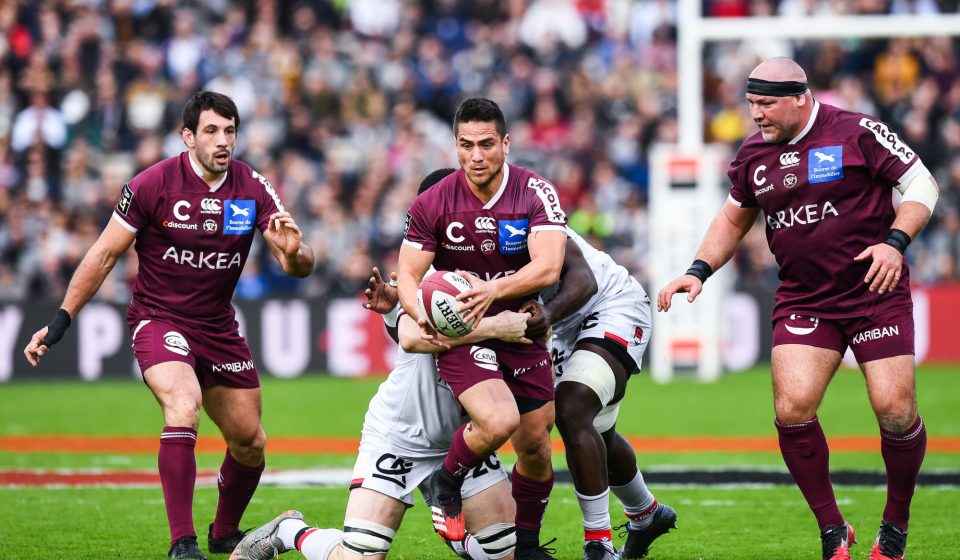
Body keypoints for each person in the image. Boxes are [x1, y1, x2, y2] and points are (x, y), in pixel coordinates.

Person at [658, 57, 937, 560]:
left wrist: (895, 242)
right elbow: (732, 219)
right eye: (751, 104)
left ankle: (894, 525)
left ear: (801, 97)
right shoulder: (751, 157)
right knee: (792, 409)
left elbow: (922, 186)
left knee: (895, 410)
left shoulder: (859, 132)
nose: (756, 115)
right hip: (805, 298)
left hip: (874, 292)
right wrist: (697, 270)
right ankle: (833, 530)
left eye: (766, 104)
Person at [23, 91, 315, 560]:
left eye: (230, 131)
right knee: (183, 404)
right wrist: (61, 320)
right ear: (188, 137)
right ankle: (183, 544)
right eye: (212, 131)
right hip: (159, 319)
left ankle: (224, 534)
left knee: (250, 441)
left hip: (218, 326)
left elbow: (299, 265)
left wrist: (297, 251)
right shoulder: (153, 183)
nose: (223, 141)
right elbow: (103, 256)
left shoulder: (252, 186)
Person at [231, 169, 530, 560]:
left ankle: (458, 536)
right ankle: (291, 531)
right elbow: (412, 337)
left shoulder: (497, 274)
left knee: (503, 554)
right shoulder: (424, 279)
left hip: (461, 442)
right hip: (400, 436)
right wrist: (497, 326)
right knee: (358, 558)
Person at [397, 98, 568, 560]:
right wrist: (424, 316)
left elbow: (550, 266)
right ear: (455, 145)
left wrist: (495, 290)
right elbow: (408, 275)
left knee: (536, 443)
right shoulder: (433, 201)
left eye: (487, 144)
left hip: (517, 327)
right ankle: (447, 483)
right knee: (498, 419)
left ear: (506, 144)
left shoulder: (535, 192)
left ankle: (528, 546)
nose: (476, 156)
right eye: (466, 145)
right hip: (468, 332)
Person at [521, 226, 677, 560]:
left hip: (608, 302)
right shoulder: (458, 248)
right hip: (560, 327)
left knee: (572, 410)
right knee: (596, 433)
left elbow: (584, 279)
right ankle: (645, 513)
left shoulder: (525, 208)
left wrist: (545, 315)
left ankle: (598, 544)